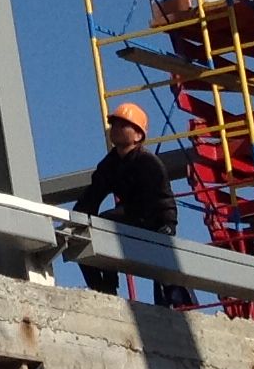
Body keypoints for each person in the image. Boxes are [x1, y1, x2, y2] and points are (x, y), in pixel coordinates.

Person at [74, 101, 192, 308]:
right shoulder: (110, 164)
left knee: (163, 267)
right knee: (90, 234)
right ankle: (104, 288)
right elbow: (93, 195)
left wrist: (169, 224)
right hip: (130, 215)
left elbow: (164, 197)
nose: (116, 129)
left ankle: (173, 300)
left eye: (123, 125)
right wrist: (79, 220)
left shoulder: (148, 162)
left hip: (153, 220)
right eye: (114, 125)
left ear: (138, 135)